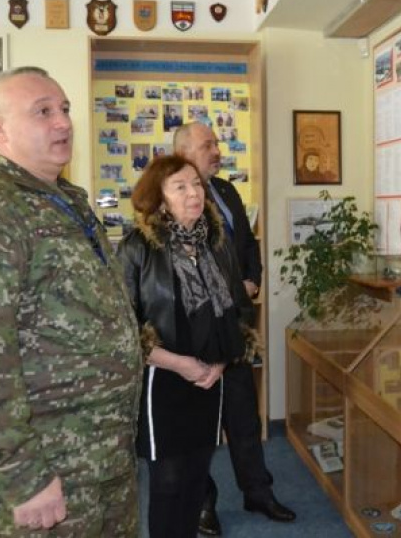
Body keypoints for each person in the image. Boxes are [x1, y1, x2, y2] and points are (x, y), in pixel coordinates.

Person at [0, 66, 143, 536]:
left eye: (64, 108)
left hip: (102, 461)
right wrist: (22, 476)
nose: (63, 121)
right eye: (43, 112)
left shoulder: (66, 200)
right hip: (46, 475)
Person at [117, 155, 256, 538]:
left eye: (196, 184)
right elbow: (122, 327)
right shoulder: (136, 248)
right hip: (162, 379)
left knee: (197, 476)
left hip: (210, 378)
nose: (194, 193)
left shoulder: (217, 244)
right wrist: (179, 364)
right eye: (180, 186)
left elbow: (238, 311)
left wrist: (221, 364)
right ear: (159, 198)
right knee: (167, 481)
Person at [174, 122, 296, 536]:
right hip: (196, 331)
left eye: (216, 142)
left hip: (235, 326)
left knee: (244, 417)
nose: (217, 150)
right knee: (198, 428)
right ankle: (202, 503)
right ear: (184, 152)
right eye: (207, 144)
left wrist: (253, 280)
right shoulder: (171, 198)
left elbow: (247, 244)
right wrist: (227, 289)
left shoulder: (226, 191)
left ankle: (257, 491)